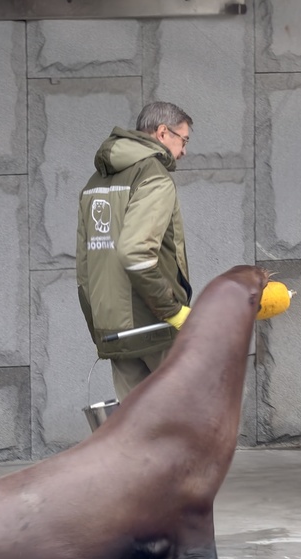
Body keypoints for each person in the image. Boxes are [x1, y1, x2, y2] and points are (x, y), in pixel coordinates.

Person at [75, 101, 194, 401]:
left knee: (136, 423)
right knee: (186, 414)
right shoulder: (153, 175)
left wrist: (99, 330)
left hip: (114, 330)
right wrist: (173, 312)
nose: (184, 151)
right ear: (163, 133)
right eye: (183, 140)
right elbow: (135, 253)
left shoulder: (95, 182)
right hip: (155, 326)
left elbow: (84, 270)